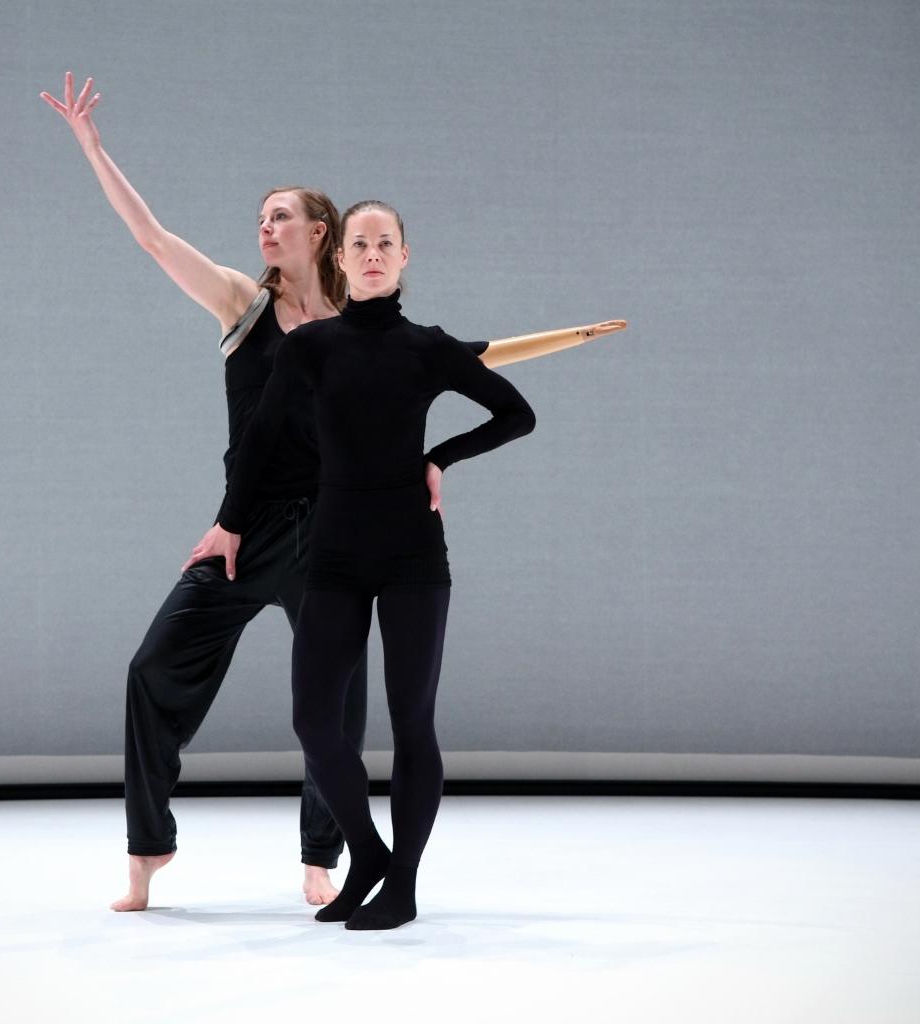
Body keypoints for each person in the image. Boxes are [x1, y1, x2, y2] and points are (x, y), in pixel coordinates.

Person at [41, 73, 625, 914]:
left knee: (339, 708)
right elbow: (153, 240)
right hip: (248, 527)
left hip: (337, 530)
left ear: (323, 234)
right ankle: (148, 848)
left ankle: (325, 857)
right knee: (152, 668)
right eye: (261, 217)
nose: (263, 227)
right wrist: (93, 147)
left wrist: (572, 335)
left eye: (280, 216)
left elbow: (473, 356)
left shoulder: (363, 328)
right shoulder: (242, 304)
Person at [212, 200, 536, 930]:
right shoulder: (310, 347)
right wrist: (230, 524)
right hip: (334, 552)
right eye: (359, 244)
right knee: (313, 720)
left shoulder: (428, 347)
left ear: (403, 256)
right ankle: (367, 854)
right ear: (342, 257)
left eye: (385, 243)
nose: (372, 254)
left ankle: (403, 884)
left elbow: (517, 414)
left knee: (411, 721)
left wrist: (439, 457)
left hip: (413, 553)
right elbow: (259, 442)